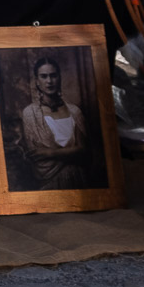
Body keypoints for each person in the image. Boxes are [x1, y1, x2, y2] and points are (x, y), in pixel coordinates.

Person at [16, 57, 90, 189]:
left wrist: (50, 153)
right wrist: (70, 152)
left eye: (53, 76)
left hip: (78, 178)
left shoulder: (74, 111)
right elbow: (36, 154)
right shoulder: (30, 114)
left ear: (59, 78)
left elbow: (83, 149)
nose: (49, 81)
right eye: (44, 77)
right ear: (37, 81)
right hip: (49, 182)